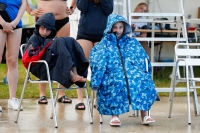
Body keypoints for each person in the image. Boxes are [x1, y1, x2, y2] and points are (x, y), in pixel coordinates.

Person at [90, 14, 157, 126]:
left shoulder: (132, 42)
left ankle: (145, 115)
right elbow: (97, 61)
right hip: (112, 72)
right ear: (110, 28)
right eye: (115, 27)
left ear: (124, 27)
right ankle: (115, 115)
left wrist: (145, 72)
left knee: (141, 80)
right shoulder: (103, 44)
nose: (118, 30)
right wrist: (97, 80)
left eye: (120, 27)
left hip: (132, 71)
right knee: (117, 81)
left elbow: (143, 58)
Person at [23, 13, 89, 95]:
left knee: (69, 40)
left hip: (51, 65)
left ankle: (75, 72)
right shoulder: (34, 39)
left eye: (48, 30)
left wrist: (51, 44)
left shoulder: (51, 38)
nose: (45, 31)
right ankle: (70, 73)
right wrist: (48, 45)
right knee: (58, 41)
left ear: (52, 30)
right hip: (40, 67)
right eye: (43, 28)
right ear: (38, 26)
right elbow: (29, 57)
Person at [26, 0, 77, 104]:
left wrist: (72, 7)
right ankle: (42, 94)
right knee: (43, 55)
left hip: (63, 20)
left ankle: (62, 93)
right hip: (44, 23)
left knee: (63, 54)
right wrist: (29, 10)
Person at [75, 0, 114, 110]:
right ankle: (80, 99)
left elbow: (109, 10)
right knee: (82, 64)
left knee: (100, 66)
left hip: (102, 34)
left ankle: (98, 98)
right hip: (84, 33)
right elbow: (81, 6)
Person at [0, 0, 26, 111]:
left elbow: (24, 4)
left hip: (16, 23)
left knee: (13, 60)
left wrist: (16, 21)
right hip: (1, 20)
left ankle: (13, 98)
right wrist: (3, 23)